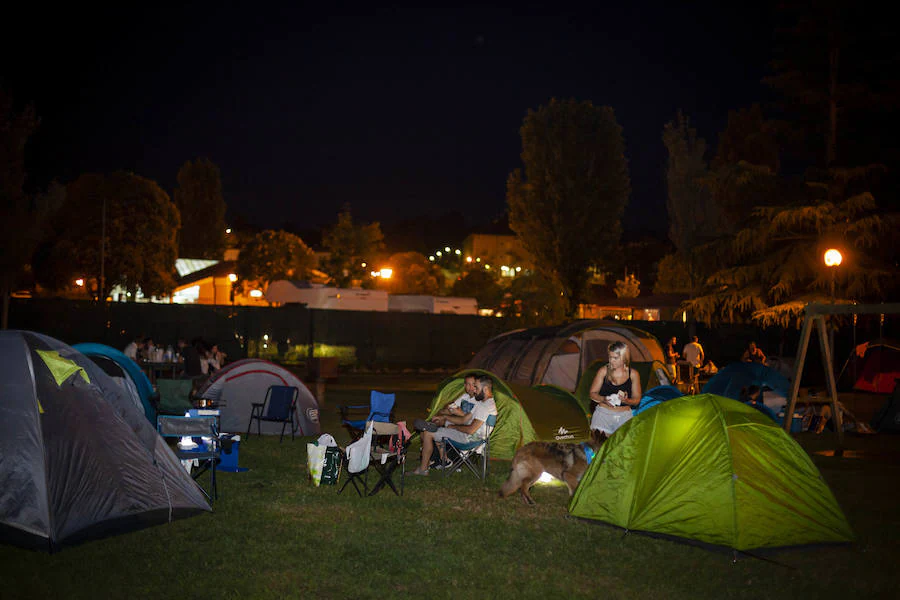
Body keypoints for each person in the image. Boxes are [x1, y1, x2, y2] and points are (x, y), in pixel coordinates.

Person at [412, 374, 498, 476]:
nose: (474, 390)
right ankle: (436, 459)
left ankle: (424, 469)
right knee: (431, 430)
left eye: (476, 387)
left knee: (428, 433)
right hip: (469, 436)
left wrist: (453, 427)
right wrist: (446, 418)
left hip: (469, 439)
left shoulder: (486, 406)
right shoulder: (482, 403)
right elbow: (464, 419)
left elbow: (470, 430)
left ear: (486, 389)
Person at [588, 341, 643, 439]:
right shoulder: (603, 371)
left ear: (624, 357)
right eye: (610, 357)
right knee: (599, 449)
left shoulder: (633, 374)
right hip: (603, 416)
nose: (611, 361)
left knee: (623, 449)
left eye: (615, 358)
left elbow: (637, 399)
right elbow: (592, 394)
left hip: (624, 417)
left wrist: (627, 400)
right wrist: (603, 399)